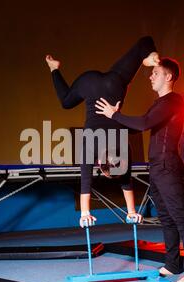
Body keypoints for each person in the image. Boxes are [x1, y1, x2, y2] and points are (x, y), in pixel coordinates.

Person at [95, 58, 184, 282]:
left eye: (155, 73)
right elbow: (136, 124)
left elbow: (143, 123)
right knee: (166, 218)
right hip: (156, 166)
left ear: (169, 76)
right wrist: (111, 129)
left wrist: (114, 115)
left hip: (167, 166)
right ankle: (173, 264)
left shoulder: (173, 101)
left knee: (181, 217)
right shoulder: (158, 103)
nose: (150, 77)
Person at [45, 37, 160, 229]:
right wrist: (85, 214)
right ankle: (53, 67)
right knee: (66, 102)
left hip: (114, 85)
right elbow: (86, 182)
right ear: (99, 163)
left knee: (143, 44)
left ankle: (149, 56)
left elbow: (125, 180)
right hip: (88, 84)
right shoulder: (90, 146)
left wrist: (132, 212)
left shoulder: (122, 148)